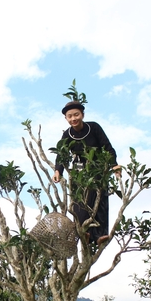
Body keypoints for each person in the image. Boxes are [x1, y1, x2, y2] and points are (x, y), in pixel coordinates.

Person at [52, 100, 121, 245]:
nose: (73, 119)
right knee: (80, 201)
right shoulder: (67, 134)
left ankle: (100, 235)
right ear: (66, 119)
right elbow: (62, 154)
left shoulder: (94, 127)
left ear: (82, 114)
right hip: (79, 172)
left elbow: (107, 147)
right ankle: (84, 232)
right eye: (69, 116)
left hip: (96, 168)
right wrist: (58, 170)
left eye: (76, 115)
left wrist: (113, 164)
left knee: (100, 199)